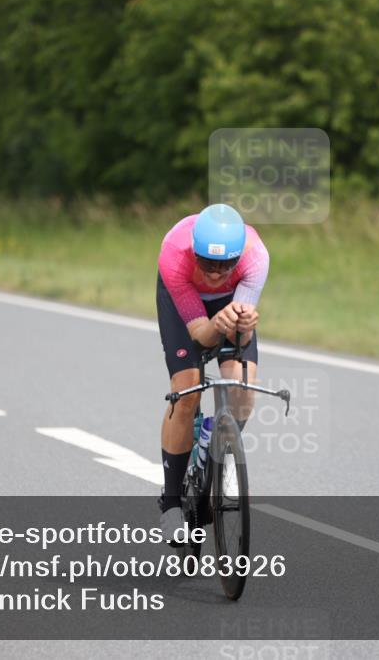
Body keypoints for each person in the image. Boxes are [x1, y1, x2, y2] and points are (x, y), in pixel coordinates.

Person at [155, 204, 269, 536]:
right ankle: (172, 501)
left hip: (228, 303)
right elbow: (201, 337)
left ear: (238, 256)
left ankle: (221, 455)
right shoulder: (175, 254)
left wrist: (243, 325)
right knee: (186, 390)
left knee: (243, 390)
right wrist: (215, 325)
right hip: (184, 307)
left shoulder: (255, 255)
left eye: (225, 265)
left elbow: (240, 335)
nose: (217, 273)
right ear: (195, 252)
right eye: (208, 263)